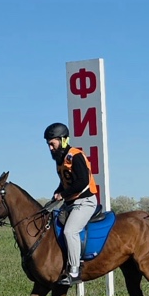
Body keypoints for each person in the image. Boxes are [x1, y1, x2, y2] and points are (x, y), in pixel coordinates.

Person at [44, 122, 99, 286]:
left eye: (52, 144)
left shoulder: (76, 155)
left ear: (63, 140)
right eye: (48, 145)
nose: (50, 148)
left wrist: (64, 193)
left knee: (70, 231)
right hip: (70, 202)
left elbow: (82, 182)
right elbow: (66, 182)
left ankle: (74, 271)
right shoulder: (60, 160)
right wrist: (58, 191)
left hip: (85, 202)